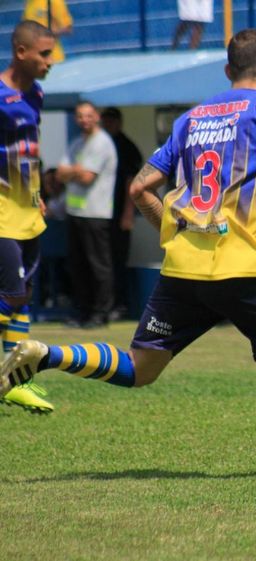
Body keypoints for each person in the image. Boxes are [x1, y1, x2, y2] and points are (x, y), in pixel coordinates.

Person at [1, 29, 256, 472]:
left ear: (227, 70)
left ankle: (50, 355)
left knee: (142, 368)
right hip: (236, 269)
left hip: (182, 268)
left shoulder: (191, 119)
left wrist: (174, 232)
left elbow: (140, 187)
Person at [0, 20, 56, 414]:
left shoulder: (35, 93)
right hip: (1, 214)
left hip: (27, 211)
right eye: (45, 54)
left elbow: (28, 150)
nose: (51, 61)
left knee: (24, 300)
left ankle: (15, 382)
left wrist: (36, 194)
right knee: (13, 293)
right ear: (22, 52)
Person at [56, 101, 118, 328]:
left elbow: (87, 177)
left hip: (96, 213)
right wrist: (74, 172)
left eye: (89, 115)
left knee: (98, 266)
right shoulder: (77, 143)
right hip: (75, 213)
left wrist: (70, 172)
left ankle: (101, 313)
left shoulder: (102, 143)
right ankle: (82, 312)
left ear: (97, 117)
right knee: (78, 265)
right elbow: (59, 174)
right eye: (80, 116)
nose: (84, 120)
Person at [100, 106, 143, 320]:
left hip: (119, 214)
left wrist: (128, 213)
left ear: (118, 123)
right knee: (103, 260)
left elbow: (132, 182)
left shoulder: (126, 147)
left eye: (110, 122)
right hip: (102, 212)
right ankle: (106, 303)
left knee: (117, 260)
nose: (107, 126)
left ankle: (121, 304)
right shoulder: (101, 145)